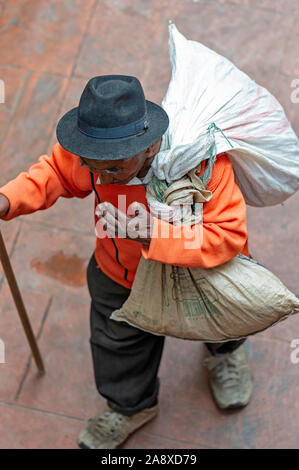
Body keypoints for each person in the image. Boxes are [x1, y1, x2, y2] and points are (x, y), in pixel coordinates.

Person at [0, 75, 253, 449]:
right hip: (121, 276)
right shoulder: (97, 153)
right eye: (92, 165)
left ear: (150, 146)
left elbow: (228, 237)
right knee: (117, 345)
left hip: (203, 276)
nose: (100, 176)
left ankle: (225, 354)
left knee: (223, 321)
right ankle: (132, 407)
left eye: (114, 169)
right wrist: (7, 200)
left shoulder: (203, 164)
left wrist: (152, 234)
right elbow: (55, 172)